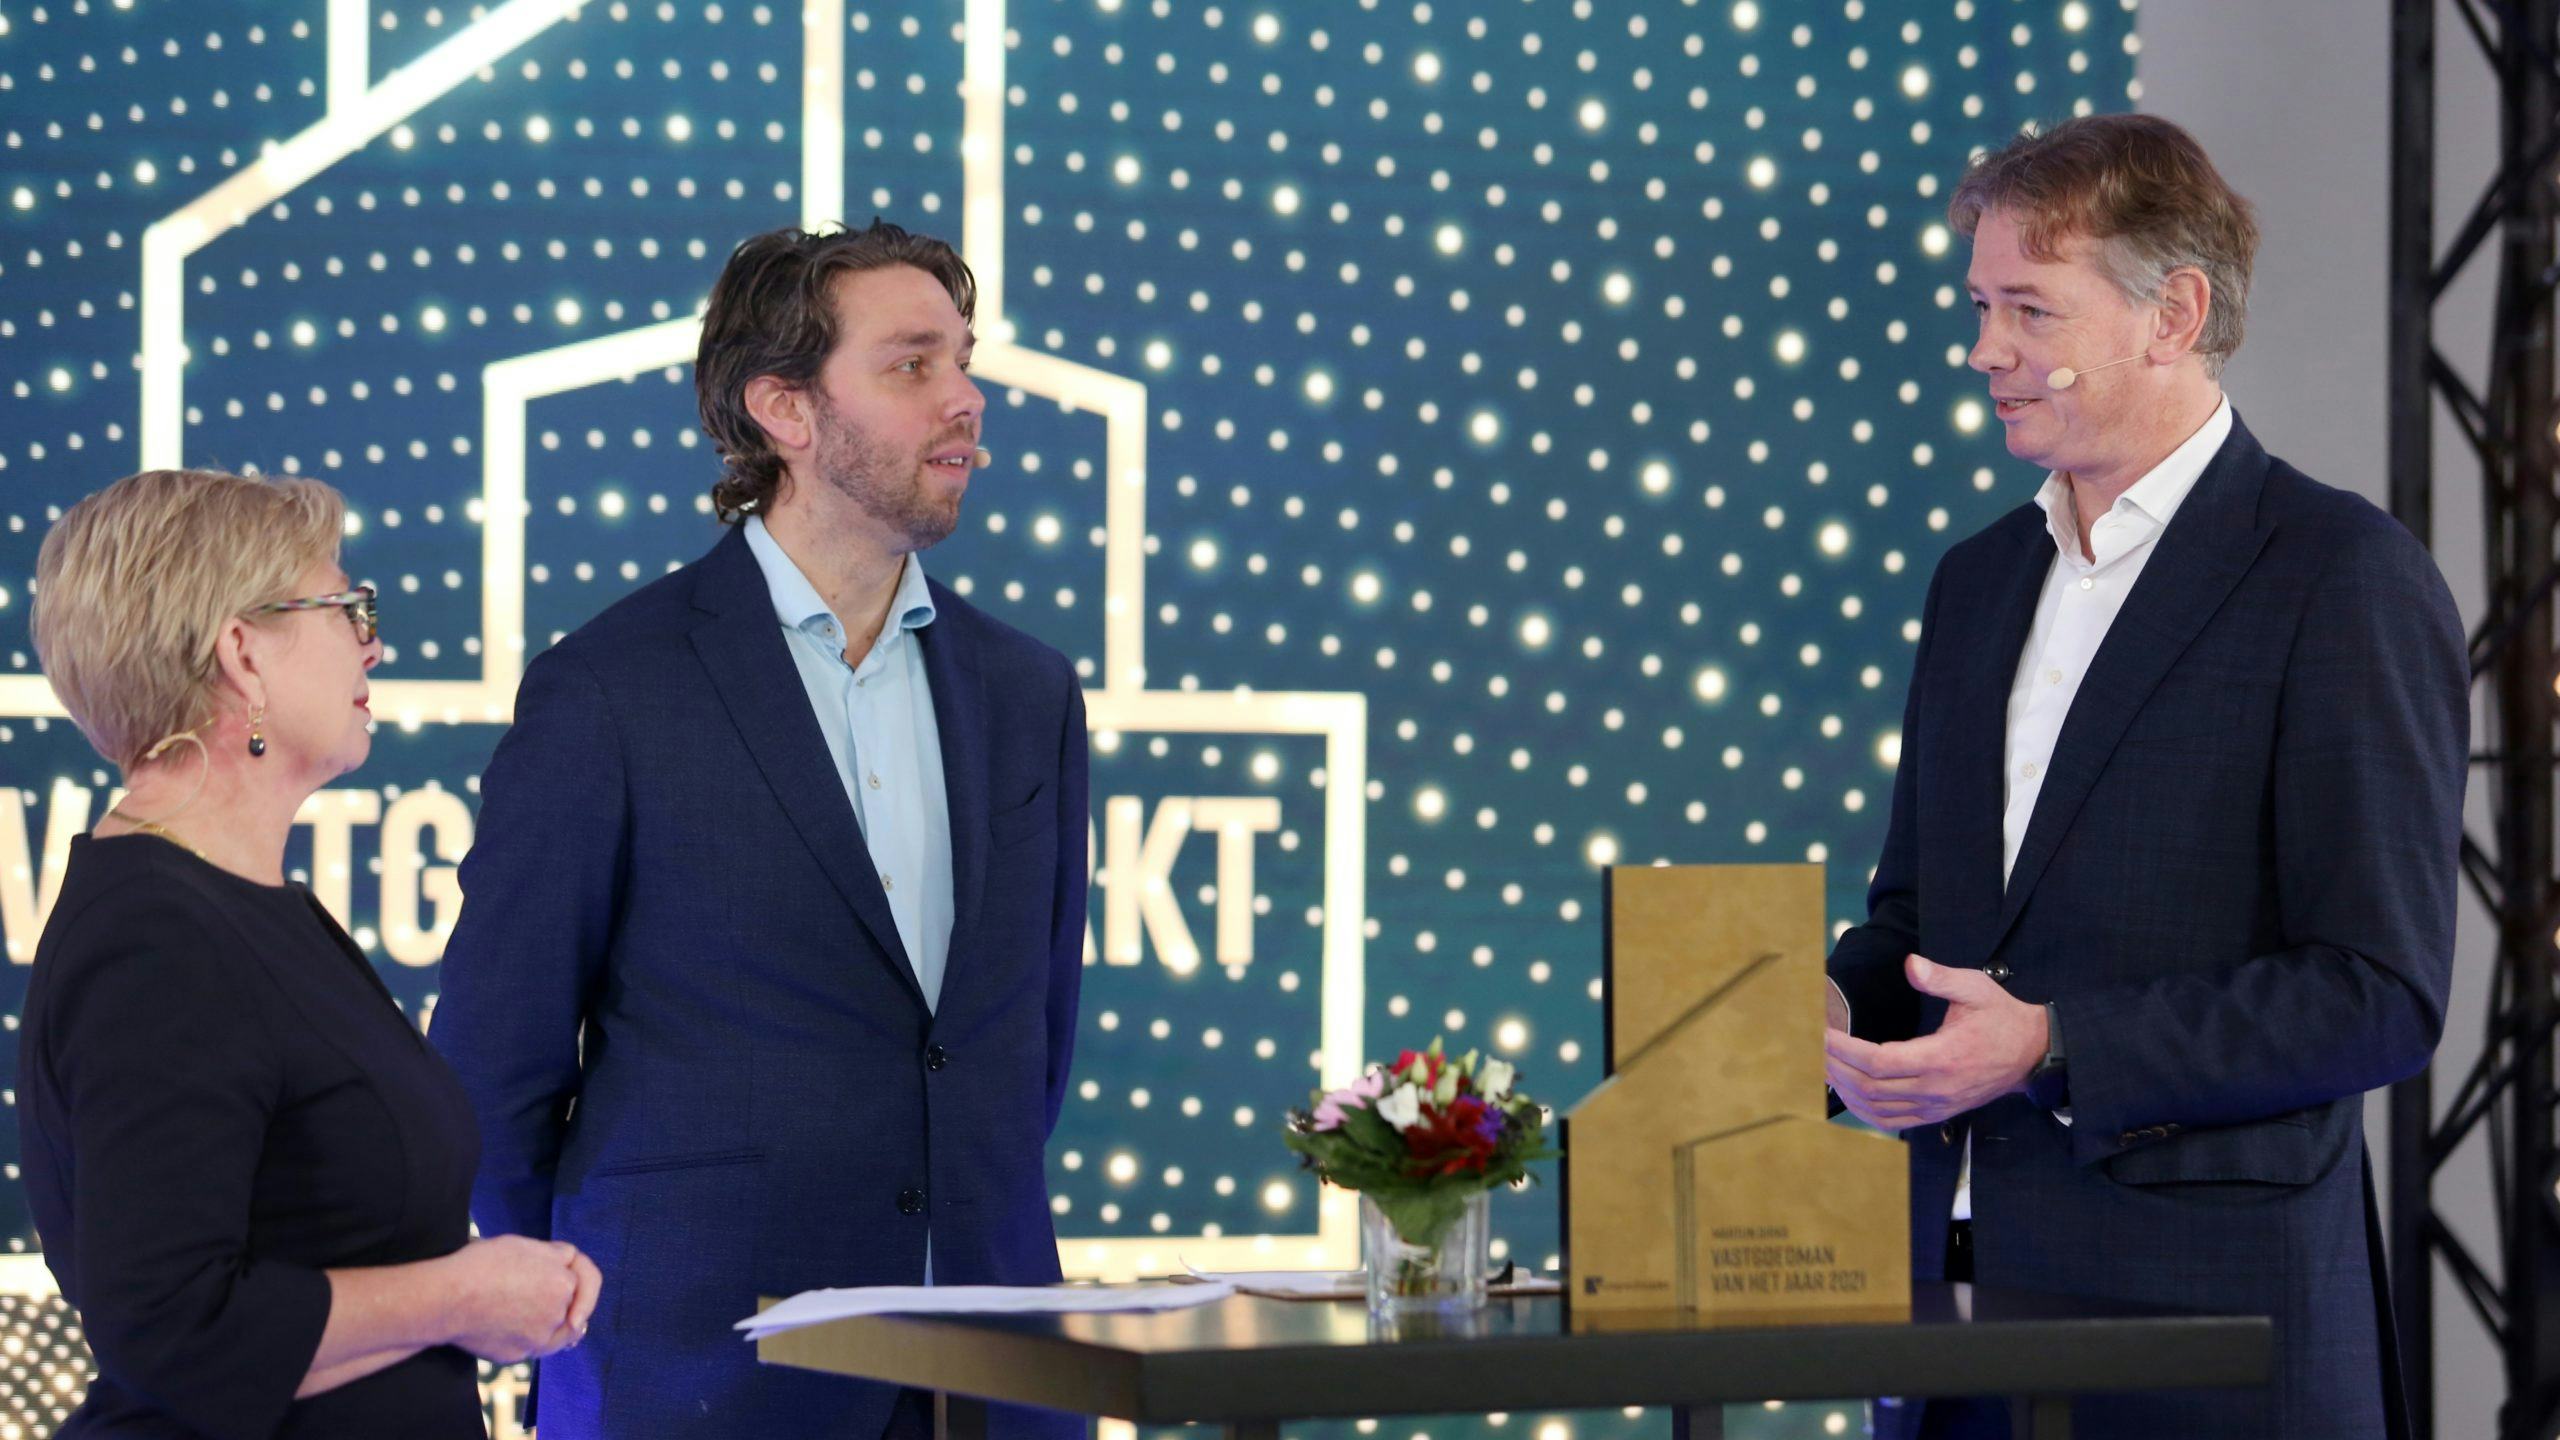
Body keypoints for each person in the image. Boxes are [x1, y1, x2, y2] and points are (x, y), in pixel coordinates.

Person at [1822, 114, 2464, 1440]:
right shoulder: (1977, 582)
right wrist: (1825, 1005)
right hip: (1950, 1330)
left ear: (2172, 315)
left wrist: (2054, 1044)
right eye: (1981, 307)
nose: (1985, 349)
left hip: (2204, 1345)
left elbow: (2379, 994)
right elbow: (1922, 921)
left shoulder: (2338, 575)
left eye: (2028, 308)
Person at [432, 220, 1090, 1439]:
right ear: (784, 408)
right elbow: (494, 1058)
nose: (966, 398)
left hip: (994, 1375)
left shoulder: (1028, 692)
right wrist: (601, 1303)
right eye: (912, 365)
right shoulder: (612, 688)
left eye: (964, 361)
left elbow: (1025, 1049)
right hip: (695, 1374)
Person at [18, 468, 601, 1439]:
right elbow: (171, 1325)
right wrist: (461, 1296)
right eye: (345, 609)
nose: (375, 644)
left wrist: (463, 1307)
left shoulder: (234, 905)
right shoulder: (158, 938)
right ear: (242, 652)